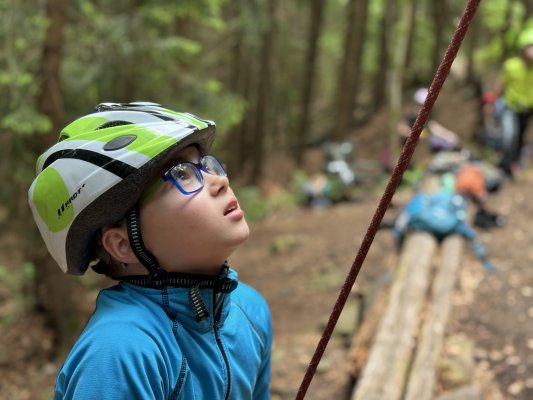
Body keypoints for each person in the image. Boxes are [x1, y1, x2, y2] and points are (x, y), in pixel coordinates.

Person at [28, 102, 272, 399]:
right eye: (181, 174)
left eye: (204, 164)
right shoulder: (120, 354)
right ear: (123, 244)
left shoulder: (248, 310)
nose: (220, 181)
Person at [496, 24, 533, 176]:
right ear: (522, 48)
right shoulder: (511, 66)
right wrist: (493, 102)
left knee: (519, 137)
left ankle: (513, 164)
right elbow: (501, 84)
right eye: (530, 47)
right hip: (510, 106)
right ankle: (504, 165)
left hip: (528, 109)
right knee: (509, 135)